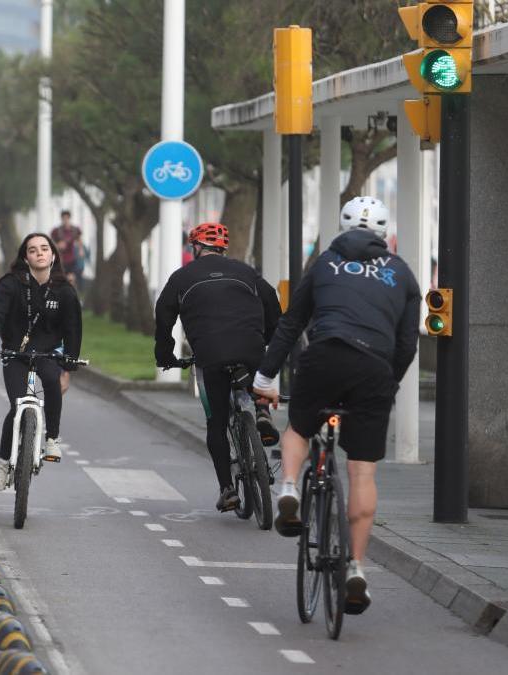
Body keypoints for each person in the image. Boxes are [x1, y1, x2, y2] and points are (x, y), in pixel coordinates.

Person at [252, 196, 420, 615]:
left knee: (300, 427)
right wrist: (389, 384)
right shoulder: (401, 272)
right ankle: (356, 569)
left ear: (342, 229)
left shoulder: (325, 264)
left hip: (325, 356)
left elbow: (292, 323)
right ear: (384, 234)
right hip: (374, 371)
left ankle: (289, 487)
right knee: (362, 470)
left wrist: (265, 376)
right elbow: (406, 343)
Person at [154, 223, 282, 512]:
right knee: (256, 379)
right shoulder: (247, 272)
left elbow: (163, 317)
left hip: (209, 354)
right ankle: (261, 411)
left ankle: (227, 489)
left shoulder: (181, 277)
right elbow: (272, 303)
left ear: (195, 248)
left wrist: (165, 356)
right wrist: (268, 340)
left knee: (217, 423)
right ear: (223, 248)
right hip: (251, 348)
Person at [0, 233, 83, 488]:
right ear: (25, 257)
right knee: (17, 407)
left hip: (48, 352)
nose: (39, 253)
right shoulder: (10, 284)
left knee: (50, 379)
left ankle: (53, 439)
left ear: (53, 255)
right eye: (33, 249)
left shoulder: (65, 291)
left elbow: (73, 329)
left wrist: (68, 366)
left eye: (44, 248)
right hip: (15, 352)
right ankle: (3, 464)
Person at [50, 210, 83, 286]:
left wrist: (81, 250)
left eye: (67, 218)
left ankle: (71, 294)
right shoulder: (57, 231)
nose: (65, 220)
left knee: (71, 278)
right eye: (63, 218)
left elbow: (79, 240)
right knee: (61, 279)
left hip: (72, 258)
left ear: (69, 218)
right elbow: (50, 243)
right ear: (61, 219)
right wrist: (58, 245)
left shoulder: (74, 230)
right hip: (60, 259)